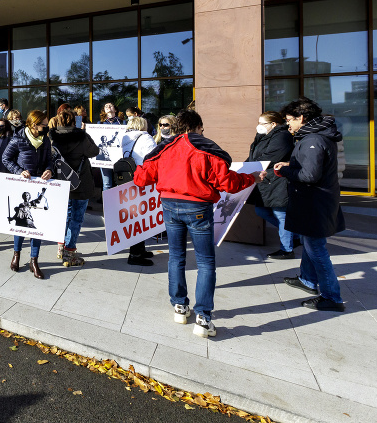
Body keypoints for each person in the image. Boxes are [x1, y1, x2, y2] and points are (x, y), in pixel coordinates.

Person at [134, 109, 262, 338]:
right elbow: (228, 183)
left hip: (170, 206)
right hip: (198, 208)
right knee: (205, 262)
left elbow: (142, 178)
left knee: (176, 256)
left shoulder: (164, 148)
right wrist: (251, 178)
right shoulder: (206, 148)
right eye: (202, 129)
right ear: (197, 127)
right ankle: (203, 317)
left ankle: (180, 306)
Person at [275, 97, 346, 312]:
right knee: (310, 244)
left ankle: (332, 297)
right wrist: (292, 163)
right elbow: (314, 166)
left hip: (315, 204)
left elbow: (310, 175)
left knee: (317, 250)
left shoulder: (312, 139)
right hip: (317, 202)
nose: (288, 124)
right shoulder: (318, 136)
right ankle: (307, 279)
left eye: (289, 120)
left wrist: (285, 170)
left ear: (302, 118)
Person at [2, 110, 54, 279]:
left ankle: (34, 260)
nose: (46, 128)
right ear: (33, 125)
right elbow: (6, 158)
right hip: (23, 186)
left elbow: (49, 161)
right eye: (43, 125)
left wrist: (49, 169)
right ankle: (16, 255)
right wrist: (19, 171)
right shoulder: (18, 139)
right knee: (21, 224)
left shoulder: (45, 140)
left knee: (37, 227)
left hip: (39, 185)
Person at [50, 109, 99, 266]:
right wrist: (84, 132)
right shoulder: (81, 136)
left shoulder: (52, 136)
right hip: (80, 184)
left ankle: (60, 248)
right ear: (73, 122)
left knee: (62, 216)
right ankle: (69, 252)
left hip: (60, 183)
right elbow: (94, 151)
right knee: (76, 218)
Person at [246, 111, 297, 259]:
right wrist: (243, 167)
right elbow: (253, 156)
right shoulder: (262, 136)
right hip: (266, 181)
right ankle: (294, 235)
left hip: (277, 181)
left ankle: (287, 249)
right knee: (261, 211)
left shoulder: (282, 136)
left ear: (273, 124)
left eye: (262, 123)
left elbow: (271, 156)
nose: (259, 126)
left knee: (281, 215)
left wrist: (251, 166)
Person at [120, 116, 159, 266]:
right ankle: (135, 254)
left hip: (128, 177)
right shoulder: (146, 138)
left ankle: (139, 250)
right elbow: (154, 157)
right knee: (141, 216)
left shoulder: (125, 137)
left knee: (135, 215)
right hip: (143, 178)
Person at [98, 102, 125, 193]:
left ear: (115, 109)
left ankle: (119, 206)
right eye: (106, 106)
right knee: (106, 183)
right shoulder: (100, 123)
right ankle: (107, 206)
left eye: (110, 105)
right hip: (106, 160)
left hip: (119, 157)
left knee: (120, 182)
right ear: (104, 111)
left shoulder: (122, 122)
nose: (108, 107)